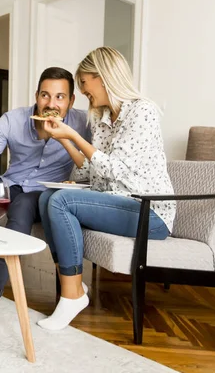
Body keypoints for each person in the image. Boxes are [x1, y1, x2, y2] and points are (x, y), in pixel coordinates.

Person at [37, 47, 176, 331]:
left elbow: (117, 170)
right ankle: (73, 286)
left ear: (103, 77)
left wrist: (74, 135)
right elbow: (90, 171)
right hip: (117, 202)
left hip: (150, 212)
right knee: (46, 198)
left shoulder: (142, 111)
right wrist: (62, 138)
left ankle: (72, 295)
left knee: (60, 202)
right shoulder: (102, 119)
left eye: (86, 85)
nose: (86, 93)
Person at [0, 67, 91, 324]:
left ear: (71, 100)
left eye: (59, 97)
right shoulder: (14, 119)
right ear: (36, 96)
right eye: (45, 96)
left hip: (42, 194)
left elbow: (90, 164)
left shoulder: (83, 124)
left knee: (22, 206)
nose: (51, 104)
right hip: (9, 185)